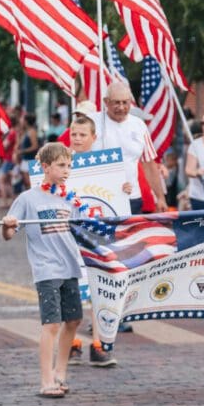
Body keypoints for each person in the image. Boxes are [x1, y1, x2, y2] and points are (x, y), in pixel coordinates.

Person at [2, 142, 86, 398]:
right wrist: (7, 224)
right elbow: (8, 234)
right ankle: (46, 380)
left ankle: (60, 373)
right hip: (46, 269)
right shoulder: (28, 198)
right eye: (61, 165)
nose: (66, 170)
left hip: (69, 266)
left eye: (69, 166)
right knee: (52, 324)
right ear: (45, 167)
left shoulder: (70, 199)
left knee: (73, 320)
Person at [66, 113, 118, 367]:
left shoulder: (105, 166)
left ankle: (99, 344)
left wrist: (124, 188)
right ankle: (72, 342)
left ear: (93, 137)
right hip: (69, 234)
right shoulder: (63, 162)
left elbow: (115, 196)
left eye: (82, 134)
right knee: (73, 289)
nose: (77, 138)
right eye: (74, 134)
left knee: (98, 288)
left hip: (95, 234)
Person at [94, 81, 167, 214]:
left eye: (125, 102)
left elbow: (149, 165)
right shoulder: (91, 122)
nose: (121, 107)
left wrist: (160, 197)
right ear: (106, 102)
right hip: (99, 198)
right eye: (116, 102)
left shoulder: (139, 125)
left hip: (132, 198)